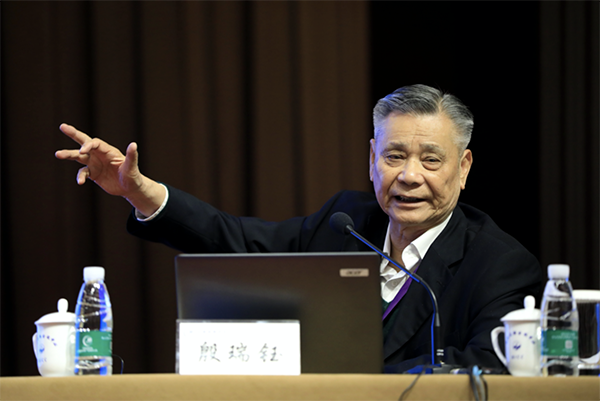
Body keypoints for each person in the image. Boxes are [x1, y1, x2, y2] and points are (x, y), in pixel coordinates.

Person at [56, 84, 542, 372]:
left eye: (431, 160)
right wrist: (142, 193)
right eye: (394, 156)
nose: (409, 176)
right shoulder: (346, 222)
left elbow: (490, 367)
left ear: (464, 167)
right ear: (372, 160)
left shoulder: (499, 265)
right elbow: (237, 241)